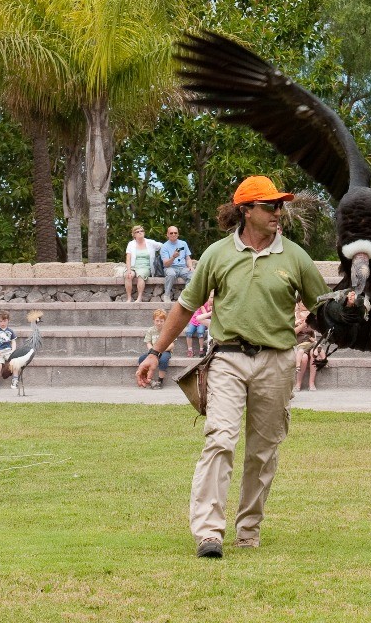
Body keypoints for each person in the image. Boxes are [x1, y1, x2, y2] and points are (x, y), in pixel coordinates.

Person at [135, 175, 356, 558]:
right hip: (227, 359)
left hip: (278, 361)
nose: (278, 213)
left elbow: (322, 306)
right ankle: (209, 533)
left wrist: (345, 308)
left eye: (280, 205)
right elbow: (186, 305)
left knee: (263, 451)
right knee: (219, 439)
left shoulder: (295, 256)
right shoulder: (218, 255)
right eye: (270, 206)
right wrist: (155, 352)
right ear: (246, 210)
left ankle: (248, 530)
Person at [124, 225, 162, 303]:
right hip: (133, 266)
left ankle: (139, 298)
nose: (140, 233)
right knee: (128, 276)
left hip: (145, 267)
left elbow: (163, 246)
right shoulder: (131, 244)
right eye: (137, 232)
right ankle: (129, 298)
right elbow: (128, 258)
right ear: (134, 235)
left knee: (141, 275)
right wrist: (128, 270)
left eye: (142, 231)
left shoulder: (150, 242)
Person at [137, 309, 173, 390]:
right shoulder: (151, 330)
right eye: (157, 321)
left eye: (161, 321)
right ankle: (149, 380)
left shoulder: (168, 330)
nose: (159, 323)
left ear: (165, 321)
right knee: (142, 359)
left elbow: (171, 345)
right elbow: (148, 342)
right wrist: (152, 351)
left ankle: (160, 381)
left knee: (163, 360)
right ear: (153, 321)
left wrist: (160, 351)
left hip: (165, 351)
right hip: (153, 352)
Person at [160, 226, 194, 303]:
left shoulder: (183, 243)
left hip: (182, 268)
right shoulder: (164, 246)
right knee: (171, 274)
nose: (173, 234)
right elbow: (166, 264)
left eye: (175, 233)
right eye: (171, 233)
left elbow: (188, 258)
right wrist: (173, 257)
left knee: (193, 274)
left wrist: (190, 266)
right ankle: (167, 295)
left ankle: (185, 295)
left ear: (178, 234)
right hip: (170, 267)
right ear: (167, 234)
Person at [0, 310, 17, 390]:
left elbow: (13, 341)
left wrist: (13, 350)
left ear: (8, 321)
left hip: (8, 351)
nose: (2, 323)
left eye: (4, 321)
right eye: (0, 321)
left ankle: (15, 380)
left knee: (15, 363)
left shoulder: (10, 331)